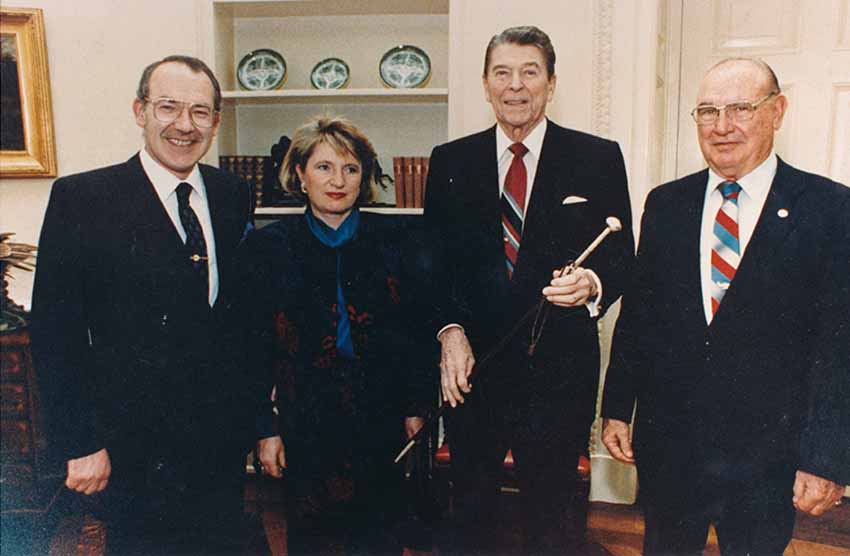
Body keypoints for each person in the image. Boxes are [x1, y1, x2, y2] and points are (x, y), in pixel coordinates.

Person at [601, 58, 850, 556]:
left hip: (768, 459)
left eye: (740, 108)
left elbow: (839, 346)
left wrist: (826, 458)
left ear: (777, 111)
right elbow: (640, 317)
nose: (722, 126)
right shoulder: (666, 204)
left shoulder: (830, 209)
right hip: (672, 447)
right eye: (708, 111)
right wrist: (615, 409)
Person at [30, 55, 258, 554]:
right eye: (168, 107)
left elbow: (241, 323)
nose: (184, 125)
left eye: (200, 112)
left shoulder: (232, 193)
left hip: (218, 445)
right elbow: (55, 332)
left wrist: (259, 424)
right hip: (134, 447)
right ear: (139, 110)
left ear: (216, 122)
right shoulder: (83, 198)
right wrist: (80, 441)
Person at [425, 26, 635, 555]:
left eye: (529, 72)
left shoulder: (597, 156)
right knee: (471, 514)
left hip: (558, 375)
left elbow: (622, 257)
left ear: (551, 82)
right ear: (485, 83)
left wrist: (592, 283)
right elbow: (434, 264)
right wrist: (449, 331)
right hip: (474, 373)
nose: (515, 87)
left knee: (554, 518)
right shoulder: (450, 161)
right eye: (502, 73)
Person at [240, 115, 431, 555]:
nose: (338, 180)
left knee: (380, 537)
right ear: (300, 175)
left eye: (350, 168)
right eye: (324, 167)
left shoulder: (396, 240)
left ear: (364, 178)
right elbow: (252, 349)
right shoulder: (269, 247)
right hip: (304, 419)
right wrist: (264, 430)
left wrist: (416, 408)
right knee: (312, 540)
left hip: (379, 418)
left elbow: (415, 334)